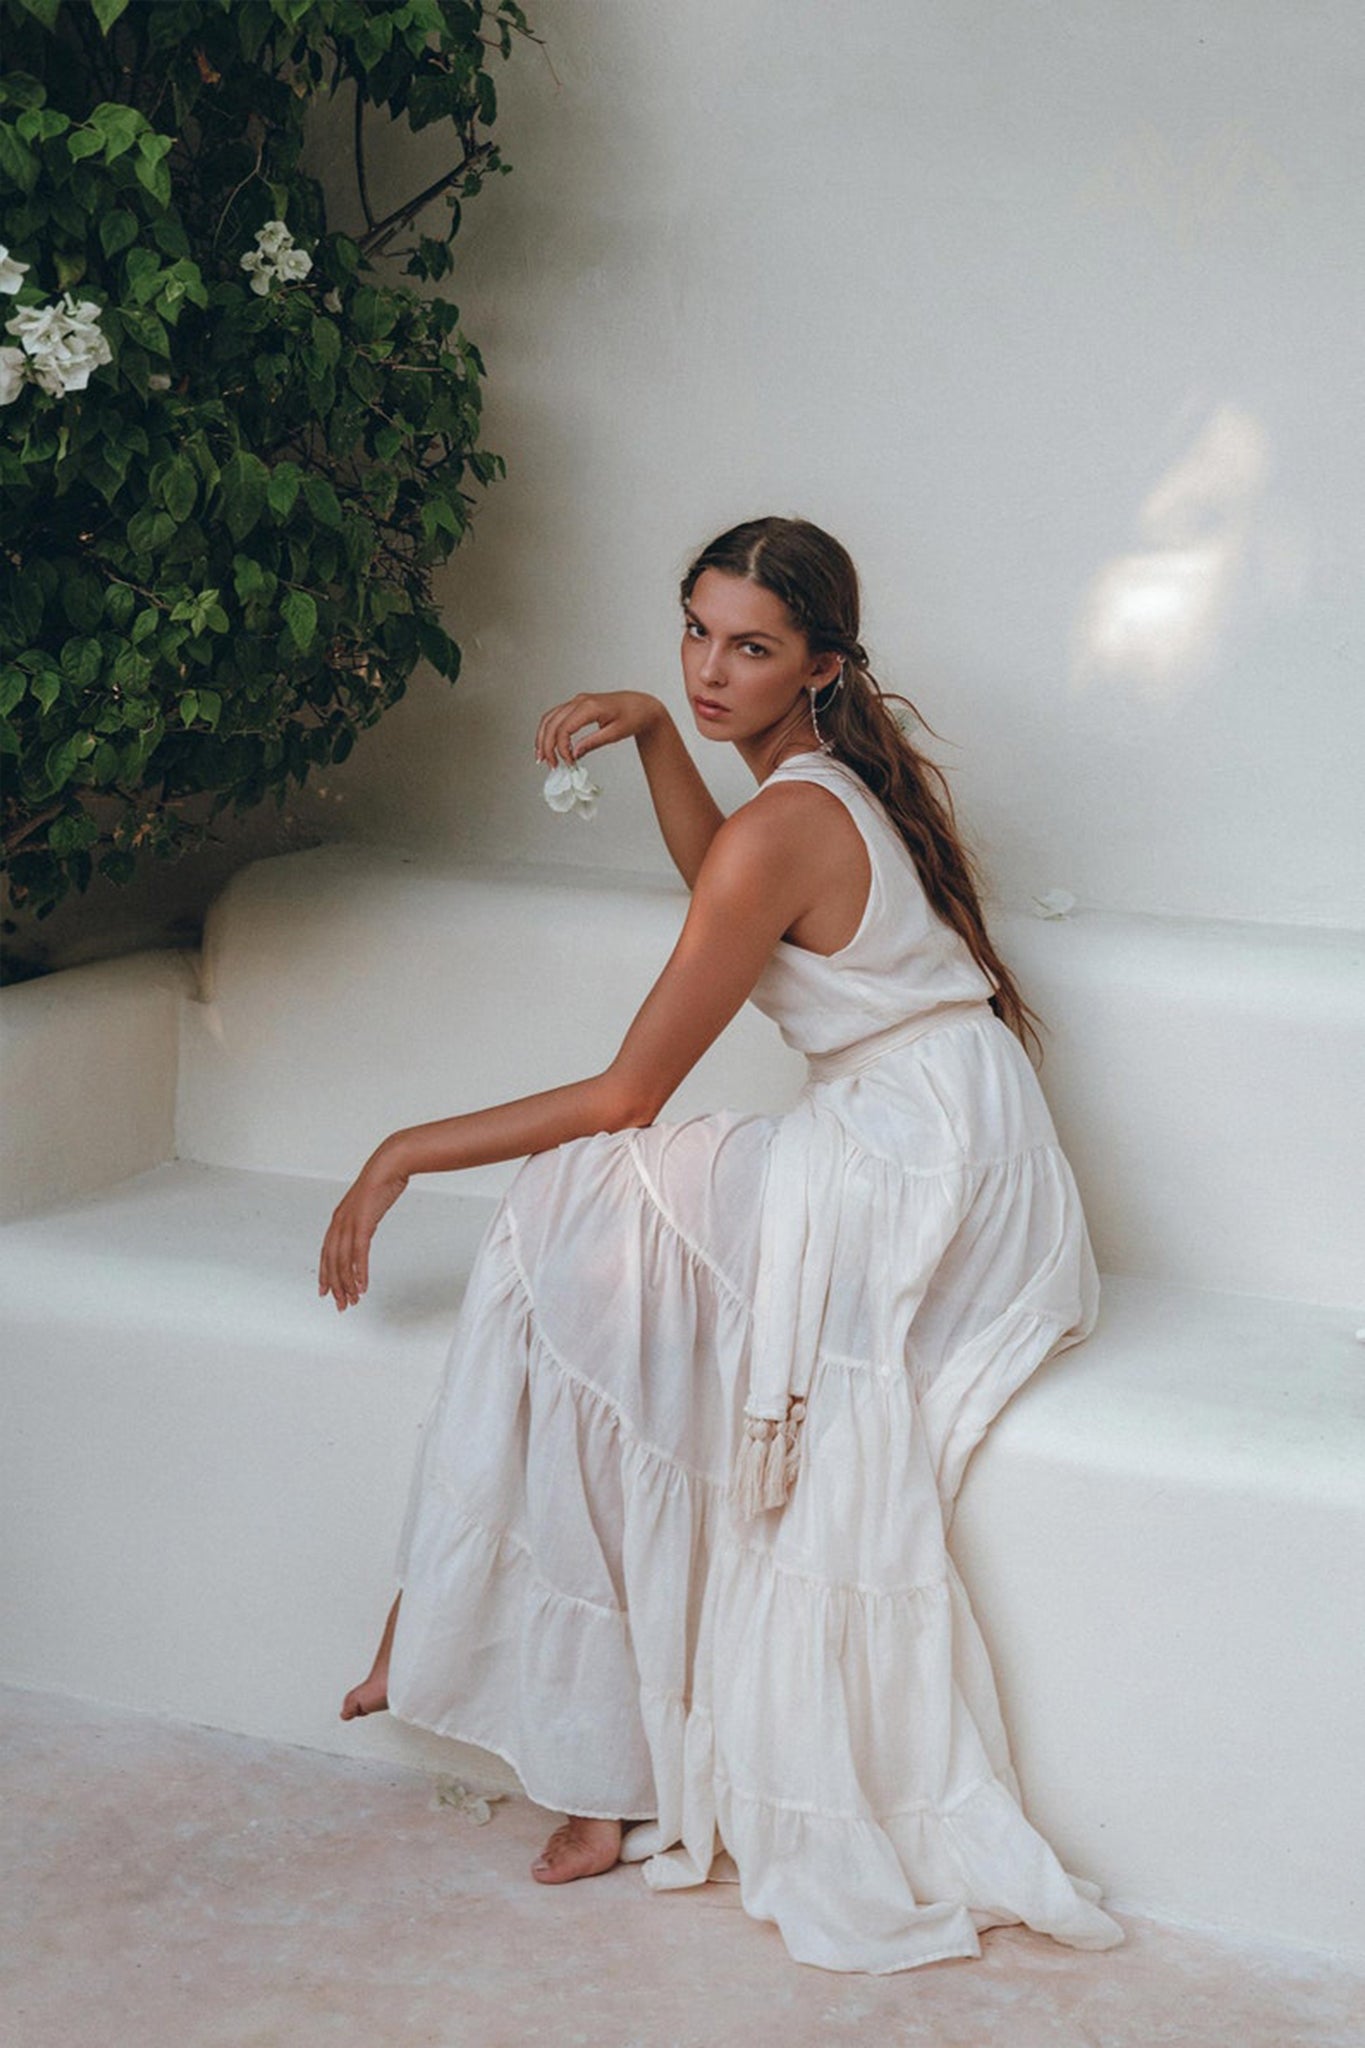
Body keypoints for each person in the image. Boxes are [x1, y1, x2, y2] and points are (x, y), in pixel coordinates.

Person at [317, 516, 1124, 1974]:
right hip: (970, 1153)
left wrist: (396, 1152)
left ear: (820, 662)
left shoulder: (788, 817)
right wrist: (651, 746)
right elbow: (735, 896)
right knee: (598, 1241)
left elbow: (633, 1087)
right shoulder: (819, 790)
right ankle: (518, 1677)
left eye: (748, 647)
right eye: (692, 631)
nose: (705, 668)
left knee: (571, 1198)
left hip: (911, 1174)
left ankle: (529, 1695)